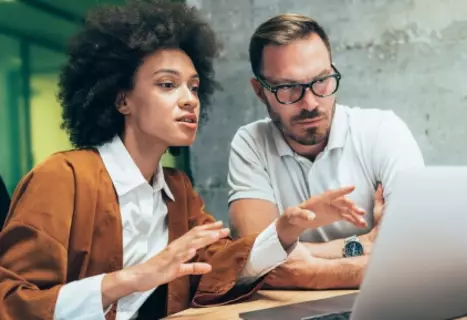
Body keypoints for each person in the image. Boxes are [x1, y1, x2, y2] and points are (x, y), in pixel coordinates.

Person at [0, 2, 366, 320]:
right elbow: (11, 303)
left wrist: (285, 228)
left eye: (193, 86)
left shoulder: (177, 189)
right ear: (121, 99)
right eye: (166, 85)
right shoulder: (62, 178)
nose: (190, 99)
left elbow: (219, 267)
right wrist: (130, 279)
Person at [228, 13, 425, 290]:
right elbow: (251, 260)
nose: (310, 103)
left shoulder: (383, 130)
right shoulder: (251, 143)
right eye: (288, 87)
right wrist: (365, 243)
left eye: (321, 81)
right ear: (260, 91)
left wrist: (315, 272)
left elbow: (417, 253)